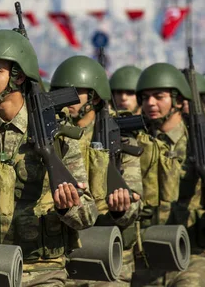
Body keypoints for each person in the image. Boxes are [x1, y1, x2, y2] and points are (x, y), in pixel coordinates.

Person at [0, 31, 97, 287]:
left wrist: (68, 206)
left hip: (41, 272)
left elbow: (87, 216)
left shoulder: (57, 135)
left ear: (18, 77)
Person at [50, 56, 142, 285]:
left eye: (74, 92)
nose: (65, 98)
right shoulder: (52, 136)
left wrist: (122, 206)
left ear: (95, 98)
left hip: (107, 253)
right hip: (61, 254)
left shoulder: (118, 138)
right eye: (60, 91)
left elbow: (134, 202)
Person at [133, 63, 205, 286]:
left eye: (159, 96)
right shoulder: (136, 145)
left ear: (179, 101)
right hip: (148, 258)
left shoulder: (203, 144)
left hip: (196, 257)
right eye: (145, 97)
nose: (150, 104)